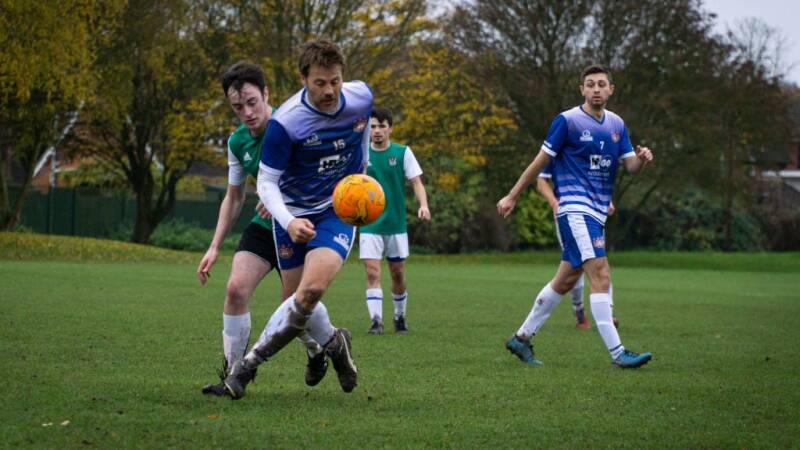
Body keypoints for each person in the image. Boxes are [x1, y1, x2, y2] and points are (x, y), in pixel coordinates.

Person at [223, 40, 373, 399]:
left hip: (336, 209)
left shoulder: (361, 97)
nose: (329, 90)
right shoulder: (286, 124)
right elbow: (267, 184)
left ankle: (247, 366)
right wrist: (289, 221)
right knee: (294, 301)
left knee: (311, 291)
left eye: (335, 81)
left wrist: (362, 173)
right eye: (320, 82)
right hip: (291, 212)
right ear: (303, 78)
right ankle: (336, 344)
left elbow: (363, 128)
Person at [497, 64, 652, 368]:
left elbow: (630, 166)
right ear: (582, 89)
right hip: (574, 210)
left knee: (565, 281)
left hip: (596, 214)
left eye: (602, 84)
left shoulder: (617, 124)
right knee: (601, 273)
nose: (596, 89)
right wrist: (512, 195)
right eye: (590, 84)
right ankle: (618, 354)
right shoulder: (567, 121)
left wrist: (643, 160)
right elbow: (539, 162)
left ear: (611, 89)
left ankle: (522, 338)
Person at [197, 61, 325, 396]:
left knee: (293, 308)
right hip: (263, 226)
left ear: (267, 93)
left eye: (252, 102)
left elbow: (320, 172)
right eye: (238, 107)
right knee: (235, 289)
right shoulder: (237, 142)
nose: (247, 112)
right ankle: (233, 377)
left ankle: (317, 352)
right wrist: (214, 246)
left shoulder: (294, 124)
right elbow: (235, 196)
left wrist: (279, 196)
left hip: (300, 226)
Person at [360, 107, 430, 335]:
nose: (377, 131)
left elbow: (417, 182)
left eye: (381, 126)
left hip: (396, 224)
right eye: (373, 127)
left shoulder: (402, 153)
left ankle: (399, 317)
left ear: (390, 128)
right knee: (372, 272)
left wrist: (423, 205)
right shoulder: (361, 154)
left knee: (397, 273)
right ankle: (376, 321)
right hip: (370, 224)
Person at [537, 162, 618, 330]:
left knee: (598, 262)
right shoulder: (559, 146)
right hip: (569, 214)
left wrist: (606, 200)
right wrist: (554, 203)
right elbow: (541, 181)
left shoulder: (593, 143)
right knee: (578, 263)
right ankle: (579, 309)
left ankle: (607, 313)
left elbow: (595, 177)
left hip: (593, 213)